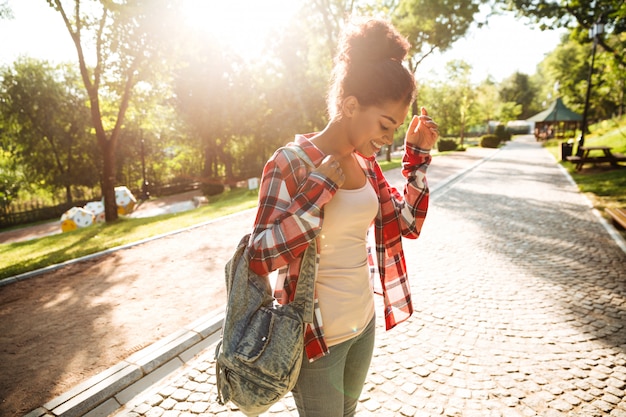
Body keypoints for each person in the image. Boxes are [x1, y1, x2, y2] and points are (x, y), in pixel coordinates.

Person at [247, 18, 439, 417]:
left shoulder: (367, 165)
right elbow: (259, 257)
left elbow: (408, 224)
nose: (388, 138)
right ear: (350, 105)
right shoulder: (290, 164)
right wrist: (316, 193)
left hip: (362, 326)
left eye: (396, 128)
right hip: (317, 338)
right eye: (385, 125)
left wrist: (416, 160)